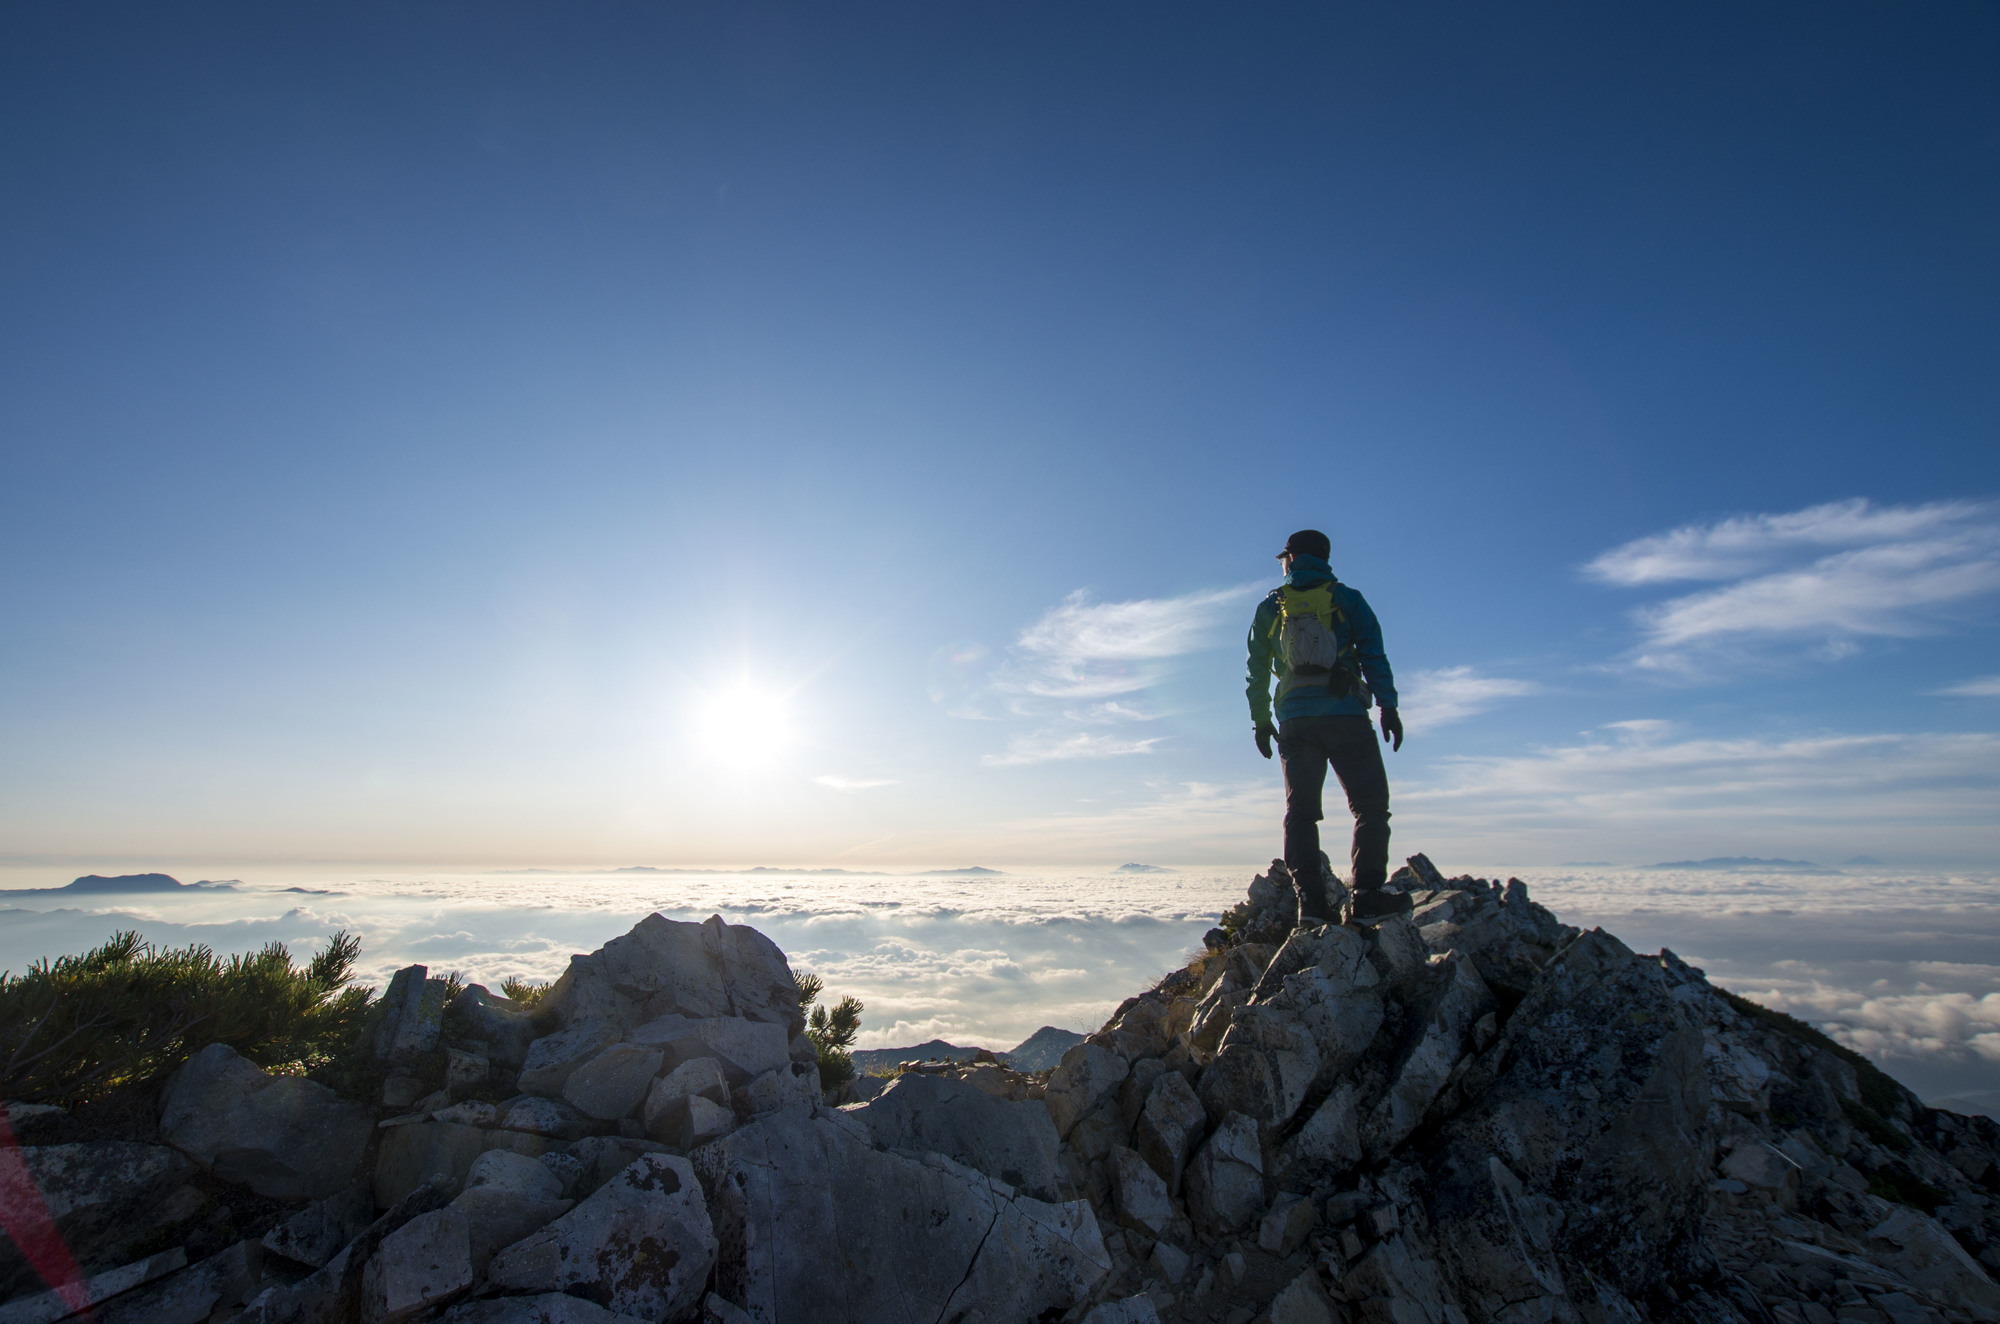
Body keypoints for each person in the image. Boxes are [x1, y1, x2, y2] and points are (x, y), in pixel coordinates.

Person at [1245, 529, 1407, 925]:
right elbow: (1374, 656)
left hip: (1296, 721)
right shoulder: (1348, 599)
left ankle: (1312, 906)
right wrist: (1388, 707)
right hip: (1346, 716)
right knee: (1370, 807)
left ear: (1292, 559)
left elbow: (1256, 670)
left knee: (1300, 813)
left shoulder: (1272, 605)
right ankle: (1367, 896)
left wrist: (1262, 722)